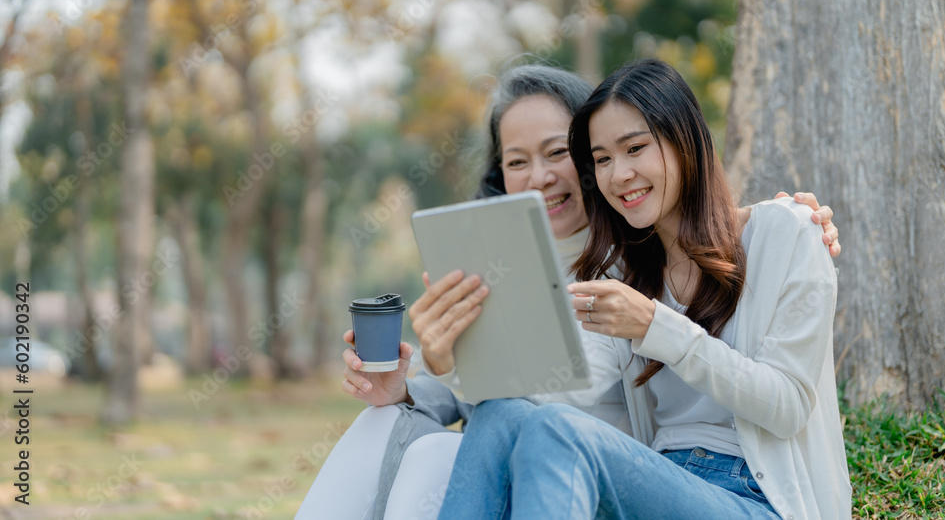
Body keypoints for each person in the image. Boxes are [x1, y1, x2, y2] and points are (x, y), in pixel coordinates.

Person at [295, 62, 841, 520]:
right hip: (657, 481)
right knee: (502, 415)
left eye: (634, 149)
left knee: (548, 429)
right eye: (603, 159)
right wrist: (446, 364)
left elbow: (788, 406)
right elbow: (565, 386)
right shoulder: (624, 271)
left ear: (686, 141)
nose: (619, 173)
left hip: (754, 496)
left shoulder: (787, 231)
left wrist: (659, 327)